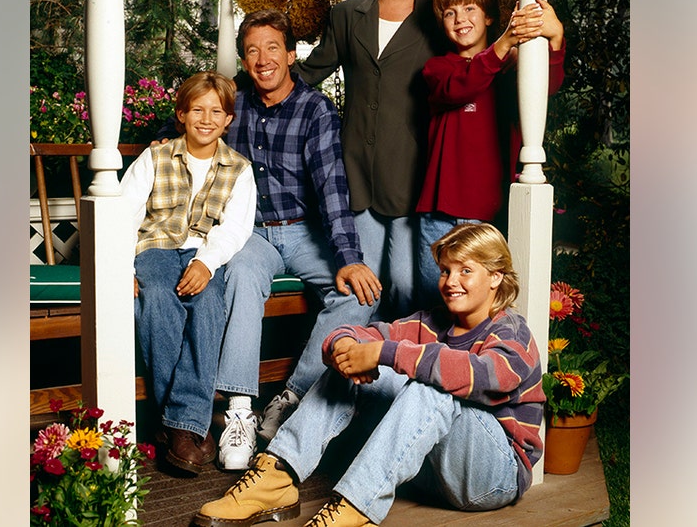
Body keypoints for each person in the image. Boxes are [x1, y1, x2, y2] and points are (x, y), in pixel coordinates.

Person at [194, 222, 545, 527]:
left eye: (465, 270)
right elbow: (366, 334)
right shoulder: (432, 321)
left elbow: (485, 377)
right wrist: (347, 349)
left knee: (434, 386)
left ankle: (355, 506)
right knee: (351, 365)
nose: (451, 281)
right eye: (445, 270)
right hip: (430, 473)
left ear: (496, 277)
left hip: (492, 477)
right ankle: (277, 477)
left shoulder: (511, 330)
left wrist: (383, 353)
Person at [213, 9, 384, 471]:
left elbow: (332, 186)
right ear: (244, 61)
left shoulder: (315, 109)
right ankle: (241, 413)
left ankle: (290, 397)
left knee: (359, 293)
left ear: (291, 55)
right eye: (252, 50)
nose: (263, 58)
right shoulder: (234, 105)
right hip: (253, 234)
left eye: (273, 48)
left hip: (306, 232)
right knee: (241, 277)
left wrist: (348, 257)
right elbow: (189, 128)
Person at [299, 0, 450, 320]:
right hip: (355, 170)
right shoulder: (347, 16)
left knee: (404, 285)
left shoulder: (439, 20)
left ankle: (396, 373)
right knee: (363, 287)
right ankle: (355, 376)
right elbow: (308, 73)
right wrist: (226, 98)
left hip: (412, 172)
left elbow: (467, 71)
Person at [119, 71, 256, 475]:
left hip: (202, 252)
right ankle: (187, 426)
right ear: (181, 114)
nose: (206, 118)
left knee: (208, 305)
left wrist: (206, 263)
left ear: (229, 119)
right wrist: (122, 269)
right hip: (155, 248)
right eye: (197, 109)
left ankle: (175, 428)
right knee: (159, 301)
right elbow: (125, 215)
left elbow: (234, 228)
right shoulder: (155, 157)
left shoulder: (238, 169)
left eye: (216, 111)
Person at [415, 0, 567, 299]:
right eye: (450, 13)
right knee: (433, 299)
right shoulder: (437, 68)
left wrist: (555, 40)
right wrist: (505, 43)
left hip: (487, 210)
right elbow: (462, 86)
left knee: (480, 304)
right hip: (438, 212)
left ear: (488, 17)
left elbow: (545, 89)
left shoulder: (514, 68)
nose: (460, 20)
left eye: (470, 9)